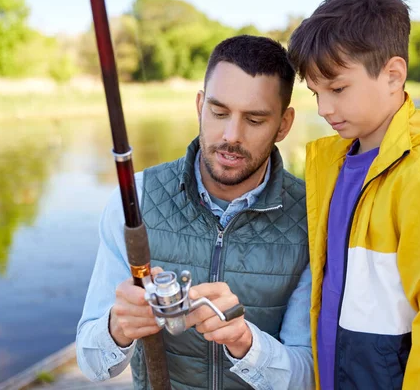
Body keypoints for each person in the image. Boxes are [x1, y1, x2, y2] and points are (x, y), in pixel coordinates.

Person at [76, 35, 314, 390]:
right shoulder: (134, 199)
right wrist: (118, 328)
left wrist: (245, 342)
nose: (231, 135)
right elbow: (92, 366)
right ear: (200, 105)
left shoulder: (312, 216)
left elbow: (309, 376)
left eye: (255, 119)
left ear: (283, 124)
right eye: (219, 112)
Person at [287, 0, 420, 389]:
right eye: (316, 93)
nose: (324, 109)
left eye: (338, 89)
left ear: (393, 75)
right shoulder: (335, 165)